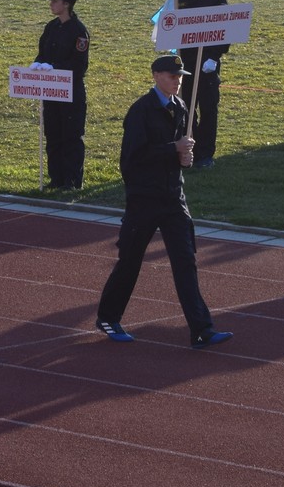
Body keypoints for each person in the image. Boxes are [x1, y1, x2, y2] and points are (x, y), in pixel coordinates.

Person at [94, 54, 233, 348]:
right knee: (130, 261)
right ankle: (108, 317)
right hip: (144, 200)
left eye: (180, 75)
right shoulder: (140, 111)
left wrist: (185, 159)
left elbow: (177, 155)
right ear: (156, 75)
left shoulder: (181, 107)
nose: (178, 79)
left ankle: (201, 329)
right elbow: (132, 159)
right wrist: (173, 148)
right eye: (172, 75)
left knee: (186, 262)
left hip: (173, 199)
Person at [33, 0, 89, 190]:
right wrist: (38, 64)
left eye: (55, 1)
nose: (51, 4)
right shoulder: (51, 27)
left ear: (66, 4)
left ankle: (72, 180)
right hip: (50, 90)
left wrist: (54, 68)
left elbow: (79, 65)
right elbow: (42, 51)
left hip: (71, 91)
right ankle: (56, 178)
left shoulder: (78, 31)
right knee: (53, 134)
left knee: (71, 136)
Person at [176, 0, 229, 168]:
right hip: (186, 60)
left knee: (208, 108)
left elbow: (225, 28)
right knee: (187, 107)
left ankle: (206, 154)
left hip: (207, 61)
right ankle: (192, 151)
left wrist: (215, 56)